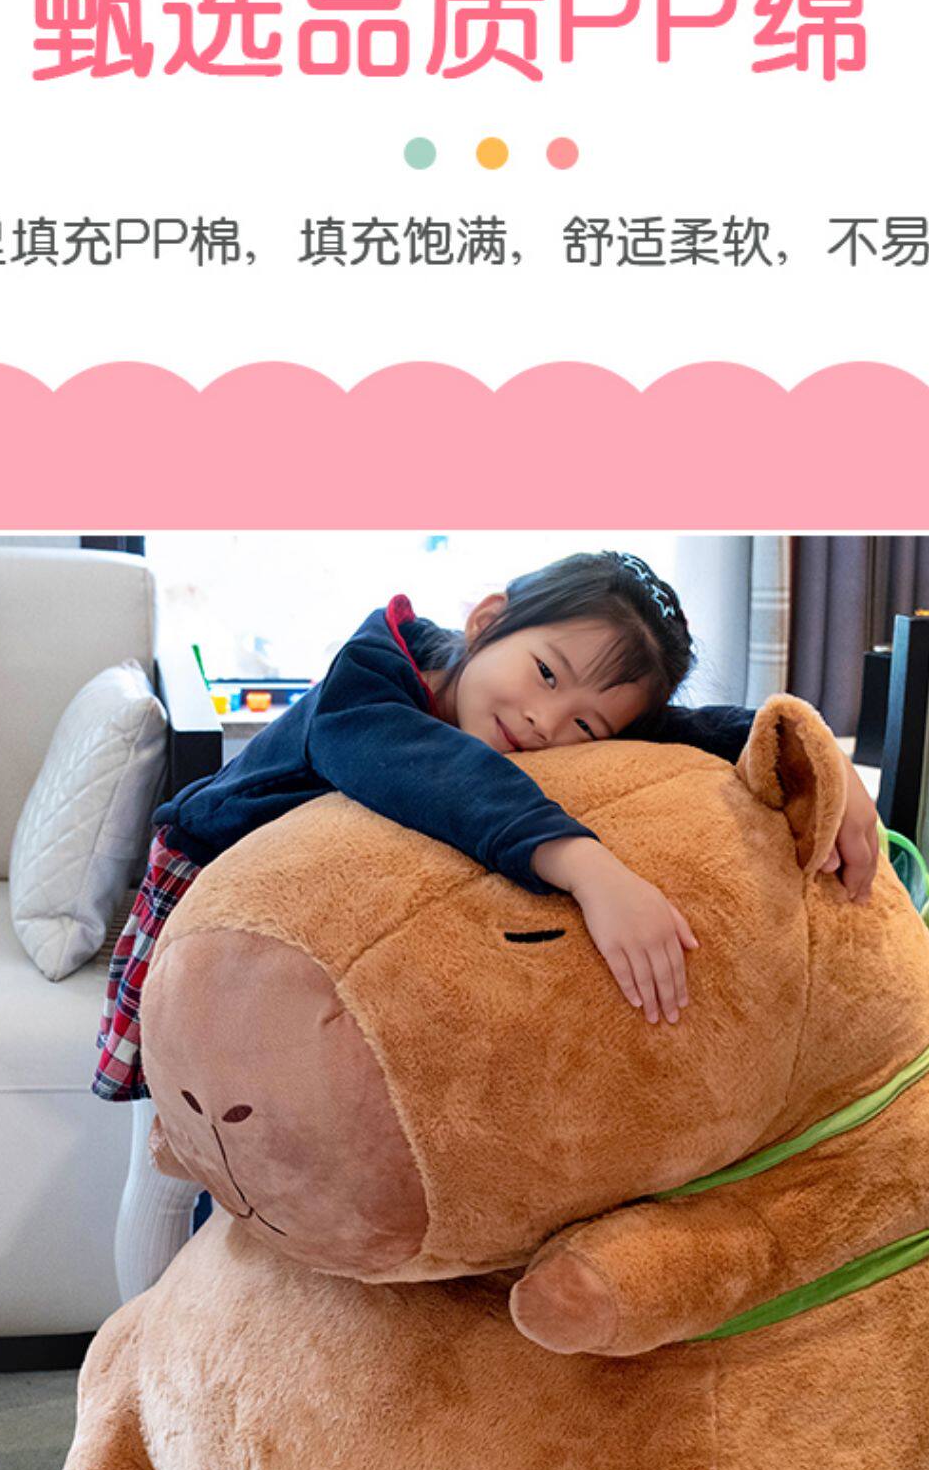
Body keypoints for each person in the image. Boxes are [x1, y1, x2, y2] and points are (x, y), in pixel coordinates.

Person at [96, 550, 880, 1297]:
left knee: (287, 1168)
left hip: (321, 947)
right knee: (177, 1167)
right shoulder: (369, 678)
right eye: (546, 673)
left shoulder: (529, 708)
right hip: (206, 900)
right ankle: (137, 1341)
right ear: (487, 619)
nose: (545, 721)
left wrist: (820, 759)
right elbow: (427, 770)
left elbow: (686, 730)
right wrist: (589, 867)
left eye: (587, 727)